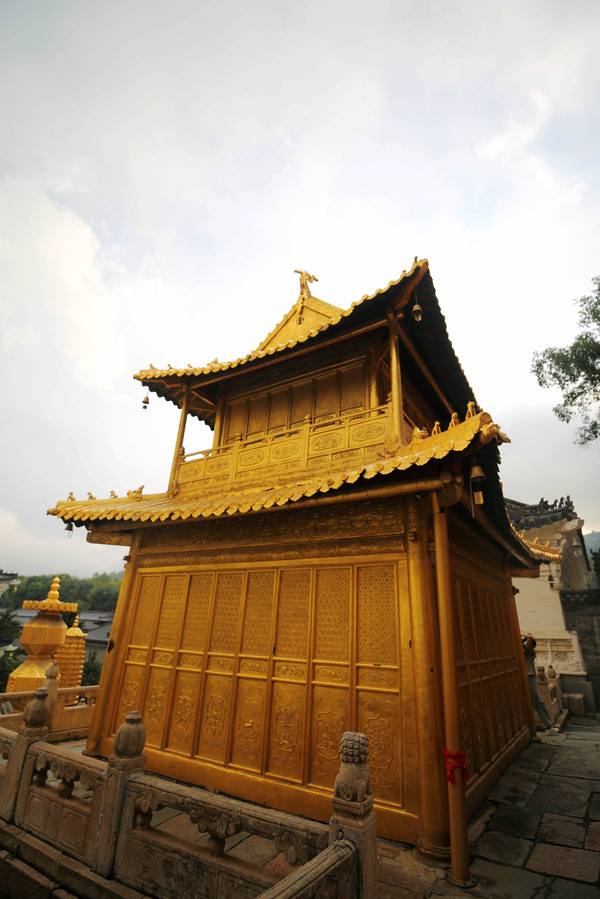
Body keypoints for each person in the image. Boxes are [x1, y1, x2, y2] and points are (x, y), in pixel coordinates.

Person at [521, 633, 559, 734]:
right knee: (532, 703)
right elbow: (530, 637)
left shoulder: (527, 648)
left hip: (531, 676)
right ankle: (528, 728)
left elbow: (530, 638)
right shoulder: (524, 648)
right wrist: (520, 633)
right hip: (528, 676)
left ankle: (548, 727)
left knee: (539, 703)